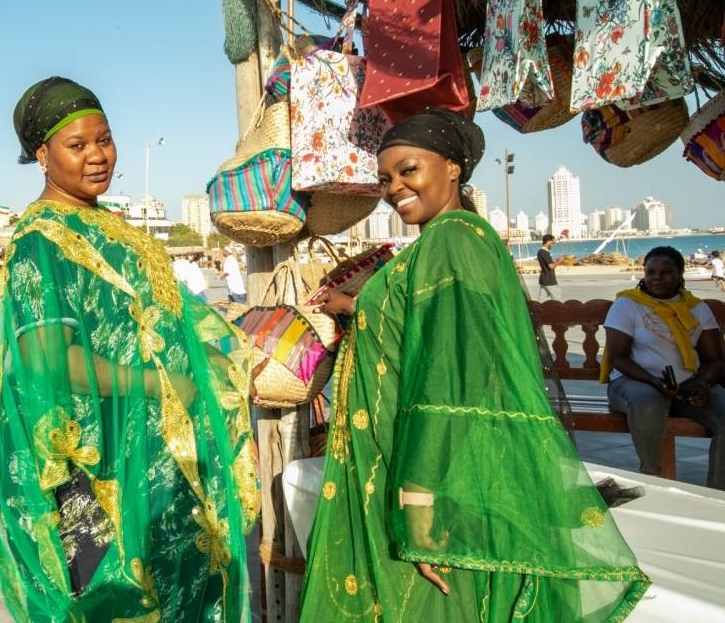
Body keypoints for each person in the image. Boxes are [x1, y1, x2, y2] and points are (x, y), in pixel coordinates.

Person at [303, 109, 648, 621]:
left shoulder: (452, 242)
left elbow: (453, 380)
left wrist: (420, 504)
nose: (394, 187)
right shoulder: (448, 243)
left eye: (408, 170)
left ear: (452, 168)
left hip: (431, 477)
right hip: (410, 461)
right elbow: (425, 335)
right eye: (384, 178)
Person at [0, 76, 258, 622]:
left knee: (182, 586)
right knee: (114, 600)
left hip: (149, 451)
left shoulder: (105, 224)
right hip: (83, 470)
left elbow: (165, 320)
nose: (97, 157)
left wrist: (223, 356)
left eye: (104, 140)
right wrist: (162, 384)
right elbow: (49, 361)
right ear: (42, 155)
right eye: (77, 145)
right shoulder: (41, 240)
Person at [601, 246, 725, 489]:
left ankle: (718, 494)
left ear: (680, 275)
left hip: (687, 383)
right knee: (648, 402)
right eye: (651, 272)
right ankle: (651, 477)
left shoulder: (696, 309)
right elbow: (619, 358)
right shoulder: (628, 305)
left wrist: (703, 384)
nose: (657, 278)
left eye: (666, 272)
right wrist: (654, 381)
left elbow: (714, 360)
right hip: (633, 382)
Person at [536, 233, 567, 300]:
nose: (553, 245)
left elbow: (549, 265)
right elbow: (551, 266)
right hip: (549, 280)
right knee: (558, 301)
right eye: (552, 243)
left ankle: (535, 310)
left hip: (544, 280)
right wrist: (560, 261)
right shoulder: (544, 252)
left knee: (541, 302)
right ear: (548, 242)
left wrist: (556, 261)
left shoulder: (540, 252)